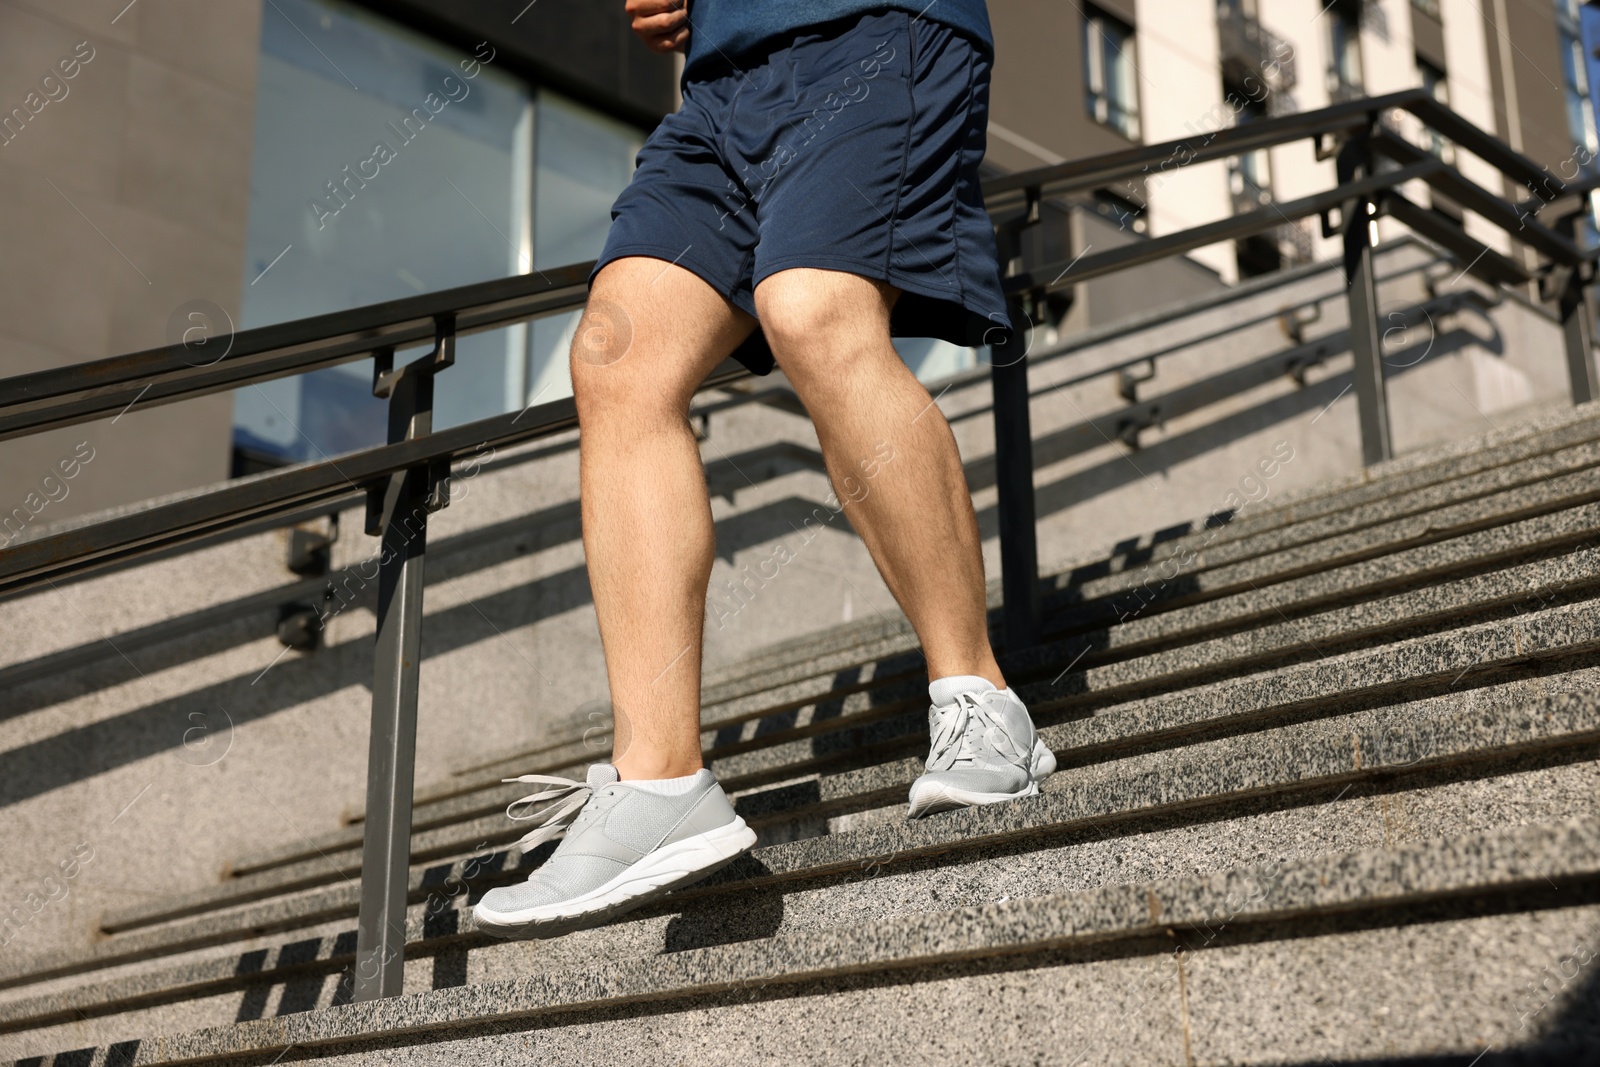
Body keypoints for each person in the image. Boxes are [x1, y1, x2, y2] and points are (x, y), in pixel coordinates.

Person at [473, 0, 1054, 941]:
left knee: (813, 306)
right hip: (723, 81)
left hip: (874, 26)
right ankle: (659, 780)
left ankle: (982, 702)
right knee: (618, 356)